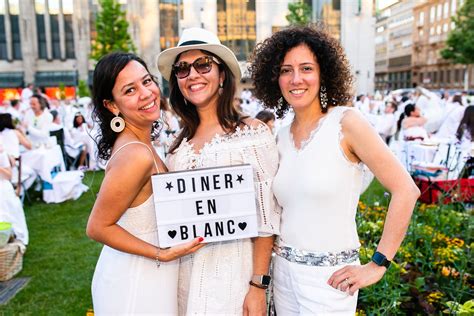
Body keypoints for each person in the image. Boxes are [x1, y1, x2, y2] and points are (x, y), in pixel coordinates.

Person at [250, 25, 419, 314]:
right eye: (285, 70)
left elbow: (406, 190)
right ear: (274, 78)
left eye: (306, 68)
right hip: (283, 277)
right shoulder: (279, 136)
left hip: (329, 281)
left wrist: (378, 264)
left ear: (323, 73)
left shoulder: (347, 123)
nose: (296, 79)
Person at [157, 27, 280, 315]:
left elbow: (267, 218)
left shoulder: (252, 134)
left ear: (222, 74)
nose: (193, 75)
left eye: (203, 64)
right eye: (183, 69)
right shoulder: (177, 147)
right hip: (185, 278)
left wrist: (258, 286)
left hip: (235, 278)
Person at [86, 52, 205, 314]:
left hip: (152, 274)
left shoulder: (143, 145)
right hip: (135, 279)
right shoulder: (135, 155)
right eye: (130, 90)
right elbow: (97, 227)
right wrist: (161, 254)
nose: (146, 93)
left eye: (147, 81)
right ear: (112, 105)